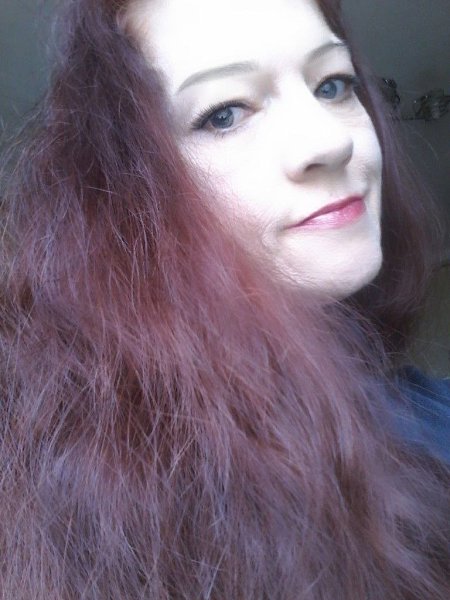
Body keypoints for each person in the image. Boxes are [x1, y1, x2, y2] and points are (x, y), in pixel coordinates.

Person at [0, 0, 448, 598]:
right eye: (224, 114)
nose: (330, 141)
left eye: (332, 85)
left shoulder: (428, 408)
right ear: (131, 201)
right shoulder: (101, 499)